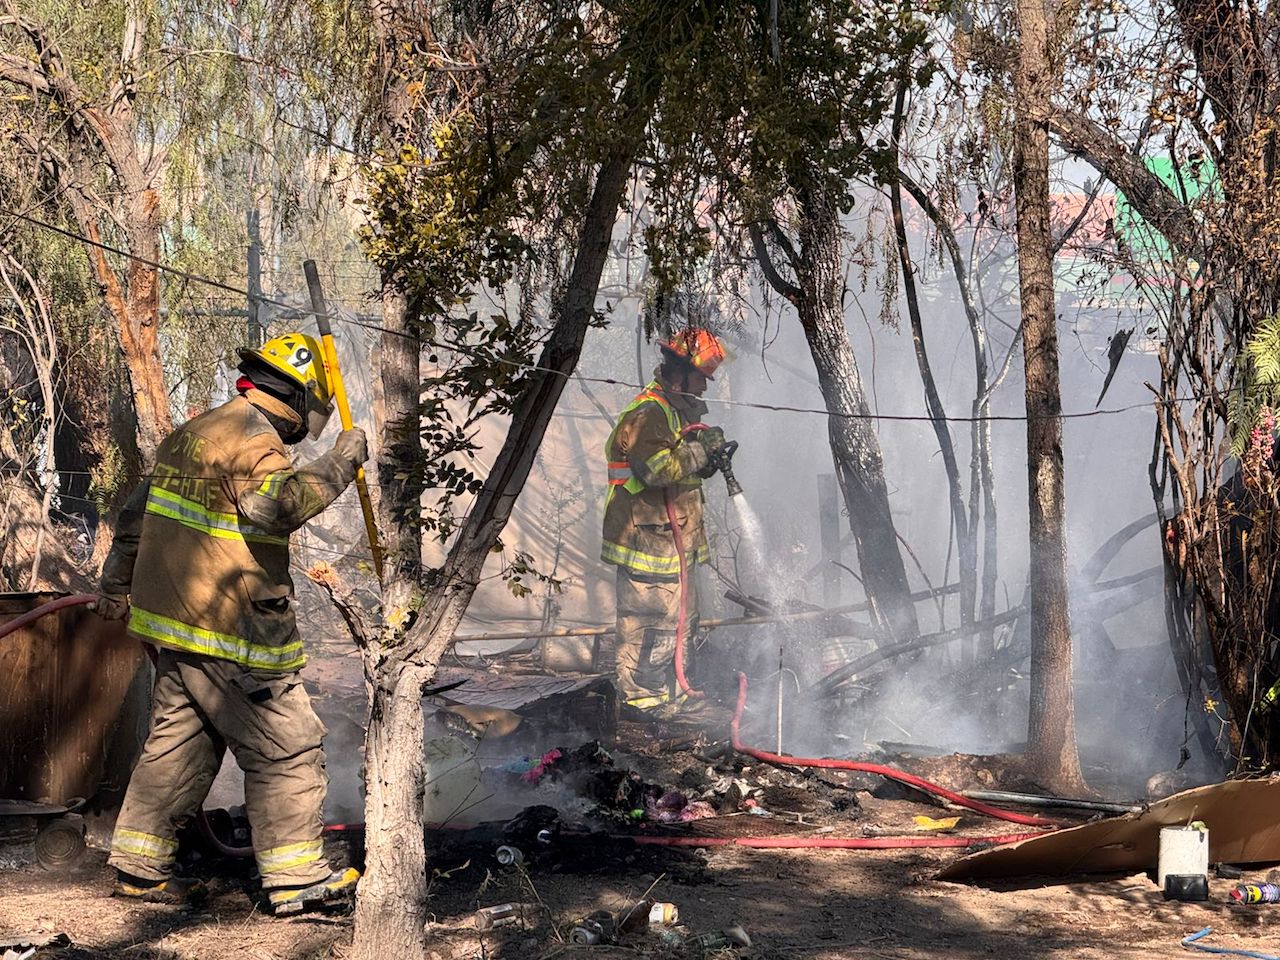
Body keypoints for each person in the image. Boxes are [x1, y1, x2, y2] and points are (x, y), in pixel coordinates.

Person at [93, 332, 367, 914]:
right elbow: (277, 507)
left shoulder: (193, 434)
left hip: (174, 623)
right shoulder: (258, 446)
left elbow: (135, 517)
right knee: (288, 746)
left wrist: (117, 584)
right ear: (300, 399)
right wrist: (342, 459)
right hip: (231, 629)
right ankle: (298, 881)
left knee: (180, 743)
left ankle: (139, 868)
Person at [600, 327, 732, 711]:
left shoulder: (675, 413)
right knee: (648, 628)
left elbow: (682, 472)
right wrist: (702, 453)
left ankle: (672, 699)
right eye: (701, 379)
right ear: (680, 372)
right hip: (648, 543)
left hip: (673, 547)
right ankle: (642, 706)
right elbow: (656, 471)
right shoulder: (649, 413)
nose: (705, 389)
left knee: (677, 629)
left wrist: (709, 456)